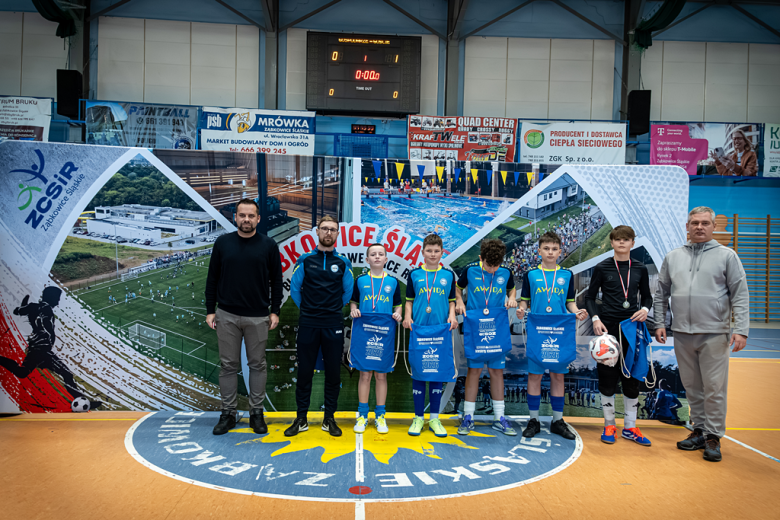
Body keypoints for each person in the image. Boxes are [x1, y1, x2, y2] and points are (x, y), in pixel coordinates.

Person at [654, 206, 749, 462]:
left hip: (714, 333)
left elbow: (740, 295)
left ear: (713, 226)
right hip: (682, 334)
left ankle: (713, 436)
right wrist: (660, 322)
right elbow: (661, 294)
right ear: (687, 226)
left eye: (705, 223)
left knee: (714, 388)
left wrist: (741, 330)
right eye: (694, 222)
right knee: (692, 387)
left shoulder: (727, 256)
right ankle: (698, 430)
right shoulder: (673, 256)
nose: (699, 227)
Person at [205, 198, 283, 436]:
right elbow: (212, 277)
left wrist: (275, 310)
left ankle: (256, 413)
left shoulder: (269, 245)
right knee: (228, 366)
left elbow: (277, 281)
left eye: (251, 216)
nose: (246, 219)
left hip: (258, 316)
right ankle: (228, 413)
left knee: (257, 365)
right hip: (226, 314)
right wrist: (210, 310)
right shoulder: (223, 243)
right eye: (242, 215)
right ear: (235, 217)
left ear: (258, 219)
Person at [585, 225, 653, 446]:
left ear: (633, 242)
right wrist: (595, 319)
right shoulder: (602, 267)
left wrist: (645, 309)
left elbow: (647, 297)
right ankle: (609, 425)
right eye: (618, 239)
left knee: (631, 379)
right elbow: (589, 298)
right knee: (607, 379)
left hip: (631, 330)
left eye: (626, 239)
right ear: (612, 242)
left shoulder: (640, 268)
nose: (622, 242)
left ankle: (630, 427)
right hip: (608, 331)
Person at [286, 216, 354, 438]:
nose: (328, 233)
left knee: (333, 372)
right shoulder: (305, 260)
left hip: (333, 324)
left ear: (337, 234)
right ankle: (301, 419)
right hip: (308, 323)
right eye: (324, 228)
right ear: (317, 231)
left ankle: (329, 419)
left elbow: (347, 292)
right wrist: (309, 310)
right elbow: (295, 290)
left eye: (333, 229)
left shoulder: (343, 262)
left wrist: (331, 309)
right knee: (305, 371)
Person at [516, 231, 588, 440]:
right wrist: (521, 310)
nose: (550, 252)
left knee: (558, 375)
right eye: (546, 248)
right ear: (539, 251)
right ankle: (534, 420)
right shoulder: (531, 274)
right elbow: (524, 301)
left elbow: (570, 302)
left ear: (560, 252)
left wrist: (577, 312)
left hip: (559, 331)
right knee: (534, 376)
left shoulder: (566, 274)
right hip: (538, 331)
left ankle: (557, 421)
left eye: (554, 249)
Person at [0, 287, 101, 411]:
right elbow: (45, 326)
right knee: (66, 374)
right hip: (41, 350)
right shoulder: (46, 310)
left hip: (38, 349)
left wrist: (24, 305)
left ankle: (83, 402)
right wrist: (48, 335)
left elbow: (17, 311)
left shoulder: (34, 307)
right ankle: (83, 402)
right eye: (57, 299)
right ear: (51, 297)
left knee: (23, 372)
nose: (58, 302)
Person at [455, 239, 519, 436]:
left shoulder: (506, 272)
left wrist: (512, 297)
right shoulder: (470, 270)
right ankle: (468, 417)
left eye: (496, 265)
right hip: (475, 326)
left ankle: (499, 418)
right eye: (489, 265)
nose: (492, 270)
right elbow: (458, 288)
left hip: (496, 327)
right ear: (481, 258)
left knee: (496, 372)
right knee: (474, 371)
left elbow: (511, 289)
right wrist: (460, 302)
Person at [403, 234, 458, 437]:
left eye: (436, 251)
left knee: (437, 372)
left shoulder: (448, 275)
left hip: (440, 330)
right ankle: (418, 418)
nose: (433, 254)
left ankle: (434, 418)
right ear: (422, 252)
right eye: (429, 251)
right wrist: (407, 317)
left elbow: (452, 301)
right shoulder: (414, 274)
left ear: (442, 253)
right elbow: (409, 300)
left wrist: (452, 316)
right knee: (419, 372)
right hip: (419, 329)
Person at [349, 243, 403, 434]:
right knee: (365, 374)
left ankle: (380, 415)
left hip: (384, 333)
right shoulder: (361, 280)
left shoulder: (393, 282)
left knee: (381, 375)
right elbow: (353, 301)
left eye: (381, 254)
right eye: (373, 254)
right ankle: (362, 415)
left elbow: (398, 305)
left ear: (386, 259)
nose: (377, 257)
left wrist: (398, 314)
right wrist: (353, 310)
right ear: (367, 259)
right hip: (364, 331)